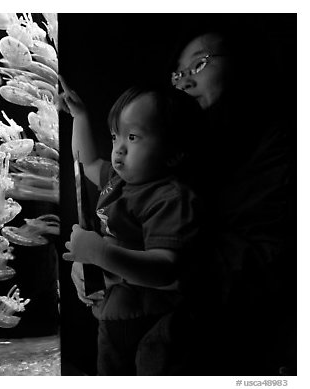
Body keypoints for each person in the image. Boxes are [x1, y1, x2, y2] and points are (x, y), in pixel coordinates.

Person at [166, 30, 296, 375]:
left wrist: (130, 266)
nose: (185, 83)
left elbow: (266, 259)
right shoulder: (184, 153)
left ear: (243, 67)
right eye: (179, 74)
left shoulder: (282, 143)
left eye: (199, 64)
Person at [61, 81, 205, 375]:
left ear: (174, 152)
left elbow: (165, 267)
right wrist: (80, 118)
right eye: (115, 137)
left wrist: (98, 253)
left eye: (133, 136)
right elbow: (86, 162)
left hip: (148, 316)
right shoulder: (118, 179)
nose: (118, 150)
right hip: (112, 311)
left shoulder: (169, 197)